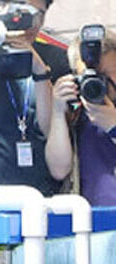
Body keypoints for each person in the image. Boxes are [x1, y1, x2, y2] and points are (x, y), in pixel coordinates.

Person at [0, 0, 71, 195]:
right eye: (24, 10)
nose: (33, 22)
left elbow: (51, 133)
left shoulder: (56, 59)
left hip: (45, 195)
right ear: (0, 8)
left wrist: (41, 73)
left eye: (39, 14)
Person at [46, 28, 116, 206]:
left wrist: (114, 126)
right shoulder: (75, 113)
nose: (99, 83)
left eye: (107, 74)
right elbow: (59, 170)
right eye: (90, 76)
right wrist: (58, 112)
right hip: (86, 216)